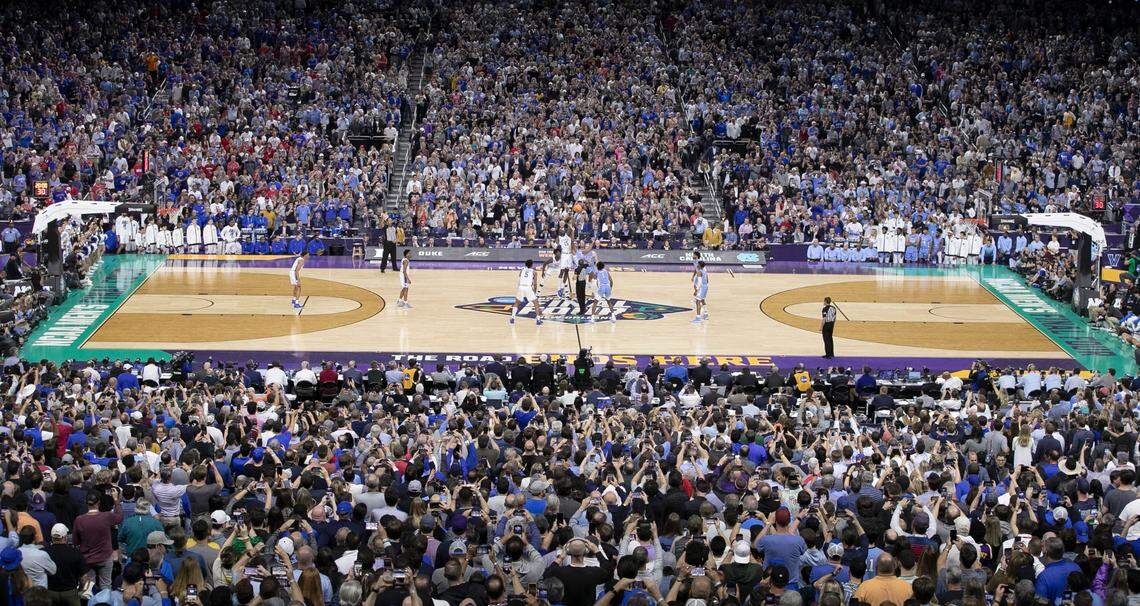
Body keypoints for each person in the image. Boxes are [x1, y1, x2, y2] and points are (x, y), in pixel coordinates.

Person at [510, 259, 543, 326]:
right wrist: (535, 292)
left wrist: (518, 288)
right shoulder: (534, 272)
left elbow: (519, 280)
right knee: (536, 303)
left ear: (525, 264)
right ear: (532, 265)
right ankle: (538, 320)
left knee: (516, 303)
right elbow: (535, 283)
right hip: (528, 287)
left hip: (521, 287)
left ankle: (512, 318)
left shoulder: (522, 270)